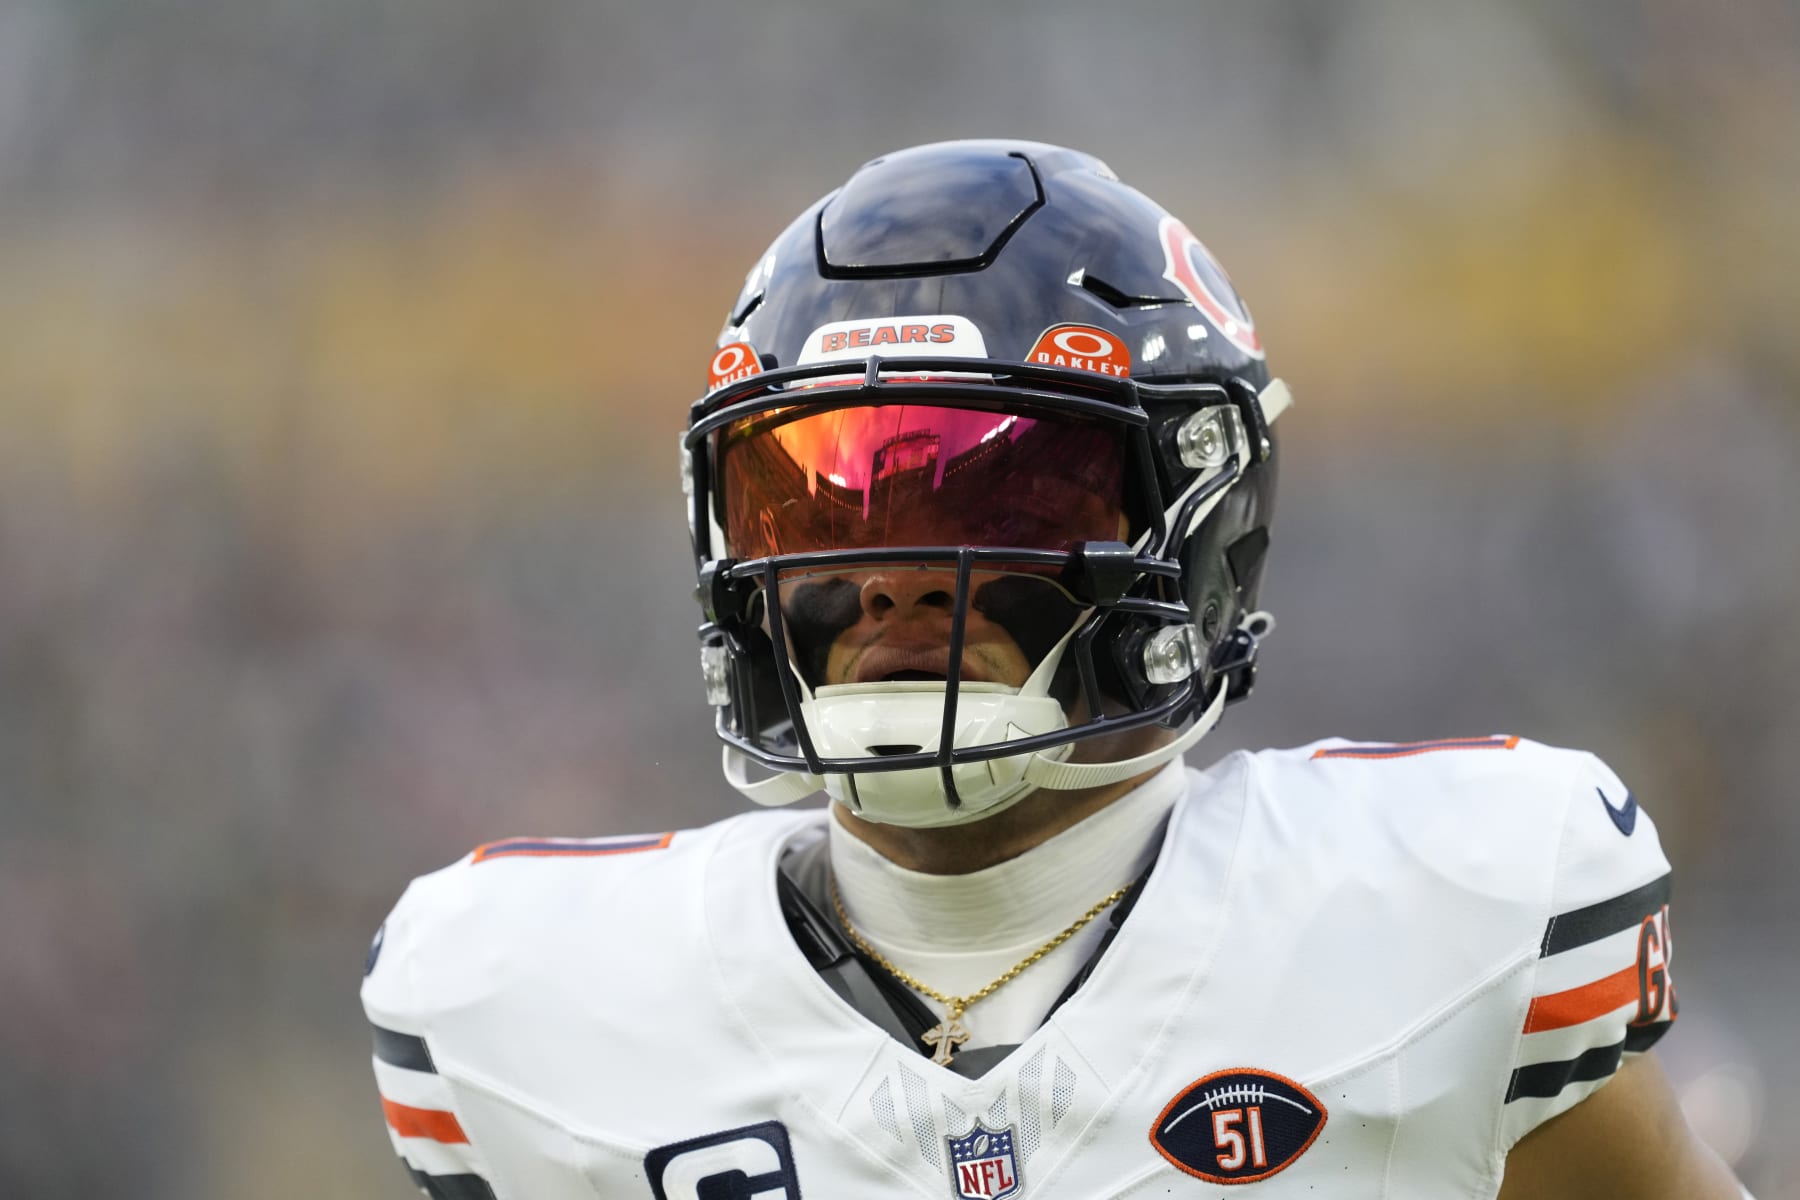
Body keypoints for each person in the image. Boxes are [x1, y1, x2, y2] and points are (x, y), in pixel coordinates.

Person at [360, 140, 1751, 1199]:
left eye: (1009, 493)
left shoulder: (1458, 916)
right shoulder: (512, 1008)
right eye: (821, 502)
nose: (899, 575)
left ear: (1192, 510)